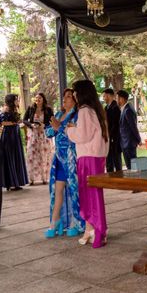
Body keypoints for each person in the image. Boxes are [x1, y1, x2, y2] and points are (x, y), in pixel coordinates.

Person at [67, 80, 109, 248]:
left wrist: (70, 129)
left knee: (90, 195)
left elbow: (82, 135)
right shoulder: (97, 110)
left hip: (87, 157)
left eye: (76, 92)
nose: (75, 95)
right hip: (97, 156)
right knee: (95, 195)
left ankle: (98, 230)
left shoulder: (85, 111)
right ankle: (97, 230)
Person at [45, 88, 83, 238]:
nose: (65, 99)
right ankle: (55, 222)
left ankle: (76, 222)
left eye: (69, 97)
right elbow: (49, 132)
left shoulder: (77, 115)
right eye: (64, 97)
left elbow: (74, 135)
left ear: (75, 100)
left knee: (74, 191)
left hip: (71, 157)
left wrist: (59, 127)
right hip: (59, 158)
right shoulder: (60, 114)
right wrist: (54, 126)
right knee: (57, 190)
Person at [23, 93, 54, 185]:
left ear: (43, 99)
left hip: (44, 135)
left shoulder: (48, 109)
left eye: (39, 98)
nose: (37, 99)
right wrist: (31, 125)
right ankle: (32, 179)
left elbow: (52, 120)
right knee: (32, 155)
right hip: (33, 135)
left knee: (44, 155)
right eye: (36, 98)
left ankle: (45, 178)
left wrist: (45, 126)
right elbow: (24, 120)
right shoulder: (31, 108)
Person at [0, 94, 28, 191]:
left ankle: (16, 182)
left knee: (16, 156)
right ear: (11, 100)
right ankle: (10, 182)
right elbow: (2, 122)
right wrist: (14, 123)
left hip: (15, 133)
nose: (17, 101)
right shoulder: (6, 109)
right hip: (8, 135)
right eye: (16, 99)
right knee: (10, 156)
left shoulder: (14, 109)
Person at [117, 90, 141, 169]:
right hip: (125, 143)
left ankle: (135, 181)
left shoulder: (128, 110)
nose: (117, 100)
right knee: (130, 166)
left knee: (132, 167)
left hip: (129, 143)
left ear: (122, 99)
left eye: (118, 98)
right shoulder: (124, 109)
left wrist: (138, 139)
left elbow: (133, 126)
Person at [103, 88, 122, 172]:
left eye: (104, 96)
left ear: (109, 96)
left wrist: (110, 135)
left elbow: (115, 124)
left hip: (115, 138)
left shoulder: (115, 107)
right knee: (109, 160)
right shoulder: (106, 107)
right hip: (108, 137)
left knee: (116, 160)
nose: (103, 98)